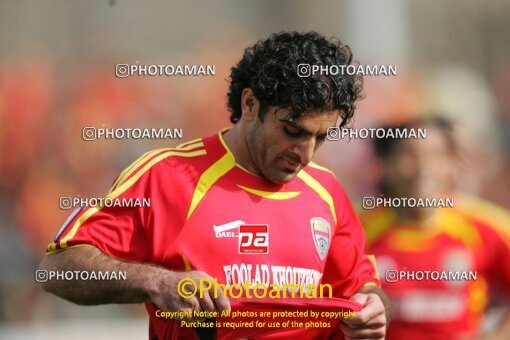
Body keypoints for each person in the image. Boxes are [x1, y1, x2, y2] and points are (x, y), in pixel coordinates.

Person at [39, 31, 390, 339]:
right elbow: (57, 269)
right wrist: (157, 283)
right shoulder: (167, 176)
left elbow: (360, 287)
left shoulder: (327, 191)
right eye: (293, 132)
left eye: (320, 137)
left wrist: (373, 308)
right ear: (250, 103)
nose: (306, 153)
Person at [360, 116, 510, 339]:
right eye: (409, 155)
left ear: (452, 164)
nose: (424, 167)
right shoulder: (357, 229)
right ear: (384, 164)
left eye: (436, 155)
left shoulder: (486, 226)